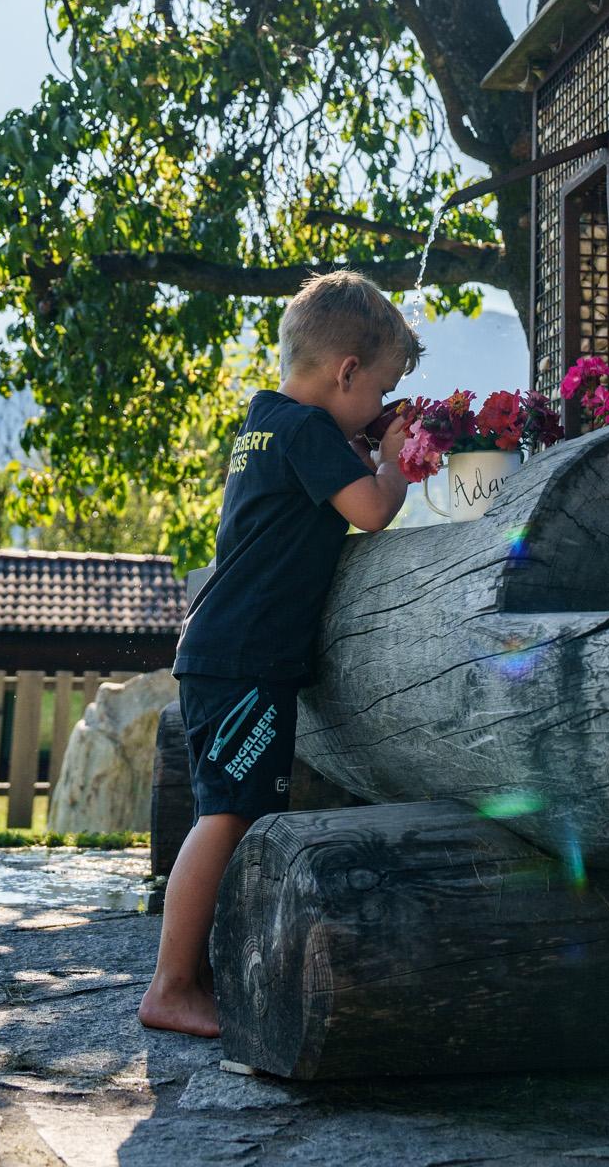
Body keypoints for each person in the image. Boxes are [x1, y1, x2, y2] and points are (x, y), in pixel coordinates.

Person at [138, 270, 420, 1036]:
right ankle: (170, 985)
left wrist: (360, 441)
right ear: (346, 372)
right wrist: (392, 461)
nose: (379, 409)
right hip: (243, 658)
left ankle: (193, 974)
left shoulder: (266, 422)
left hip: (226, 648)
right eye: (379, 391)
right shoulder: (306, 433)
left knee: (232, 810)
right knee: (225, 816)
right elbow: (371, 511)